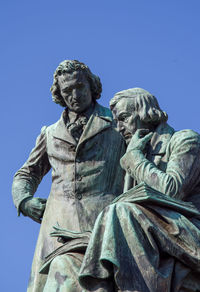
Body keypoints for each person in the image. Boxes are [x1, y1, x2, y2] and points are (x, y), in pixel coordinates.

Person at [12, 60, 125, 292]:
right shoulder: (50, 133)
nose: (75, 95)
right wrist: (24, 201)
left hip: (103, 219)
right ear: (60, 95)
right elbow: (27, 173)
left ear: (91, 86)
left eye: (79, 87)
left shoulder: (117, 123)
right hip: (58, 226)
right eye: (67, 91)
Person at [79, 88, 200, 292]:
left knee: (120, 210)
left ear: (146, 113)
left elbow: (171, 190)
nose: (119, 127)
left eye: (124, 118)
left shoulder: (184, 140)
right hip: (149, 230)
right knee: (71, 253)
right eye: (116, 121)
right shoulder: (135, 154)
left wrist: (135, 159)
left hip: (185, 229)